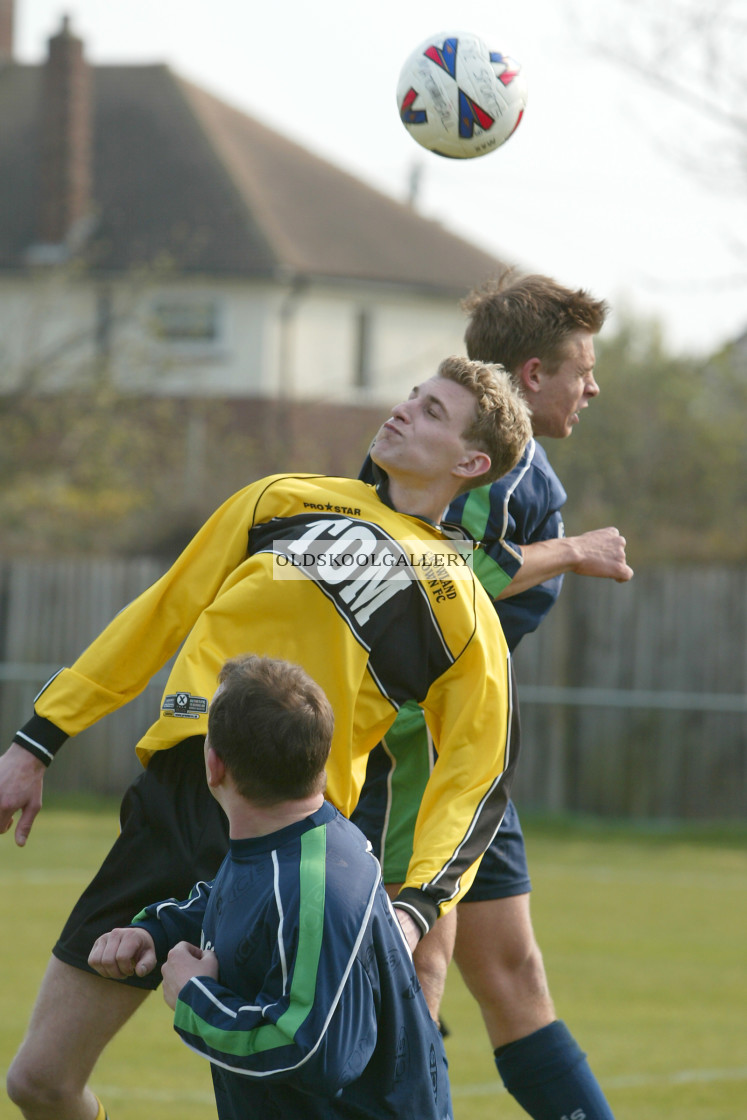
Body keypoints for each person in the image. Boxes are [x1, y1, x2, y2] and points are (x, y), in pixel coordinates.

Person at [2, 354, 531, 1120]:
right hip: (178, 800)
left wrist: (416, 904)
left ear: (470, 463)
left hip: (286, 851)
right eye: (411, 397)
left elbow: (476, 774)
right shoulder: (282, 498)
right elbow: (161, 614)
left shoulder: (458, 601)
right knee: (39, 1082)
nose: (403, 411)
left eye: (432, 413)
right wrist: (35, 743)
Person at [353, 273, 634, 1120]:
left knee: (512, 977)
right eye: (581, 367)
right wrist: (569, 550)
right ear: (532, 372)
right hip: (417, 746)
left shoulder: (509, 463)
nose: (593, 385)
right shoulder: (491, 462)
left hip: (468, 745)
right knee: (418, 970)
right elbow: (428, 573)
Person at [88, 653, 453, 1120]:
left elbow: (312, 1052)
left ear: (214, 765)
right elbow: (236, 899)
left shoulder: (315, 883)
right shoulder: (290, 840)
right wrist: (156, 934)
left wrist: (197, 998)